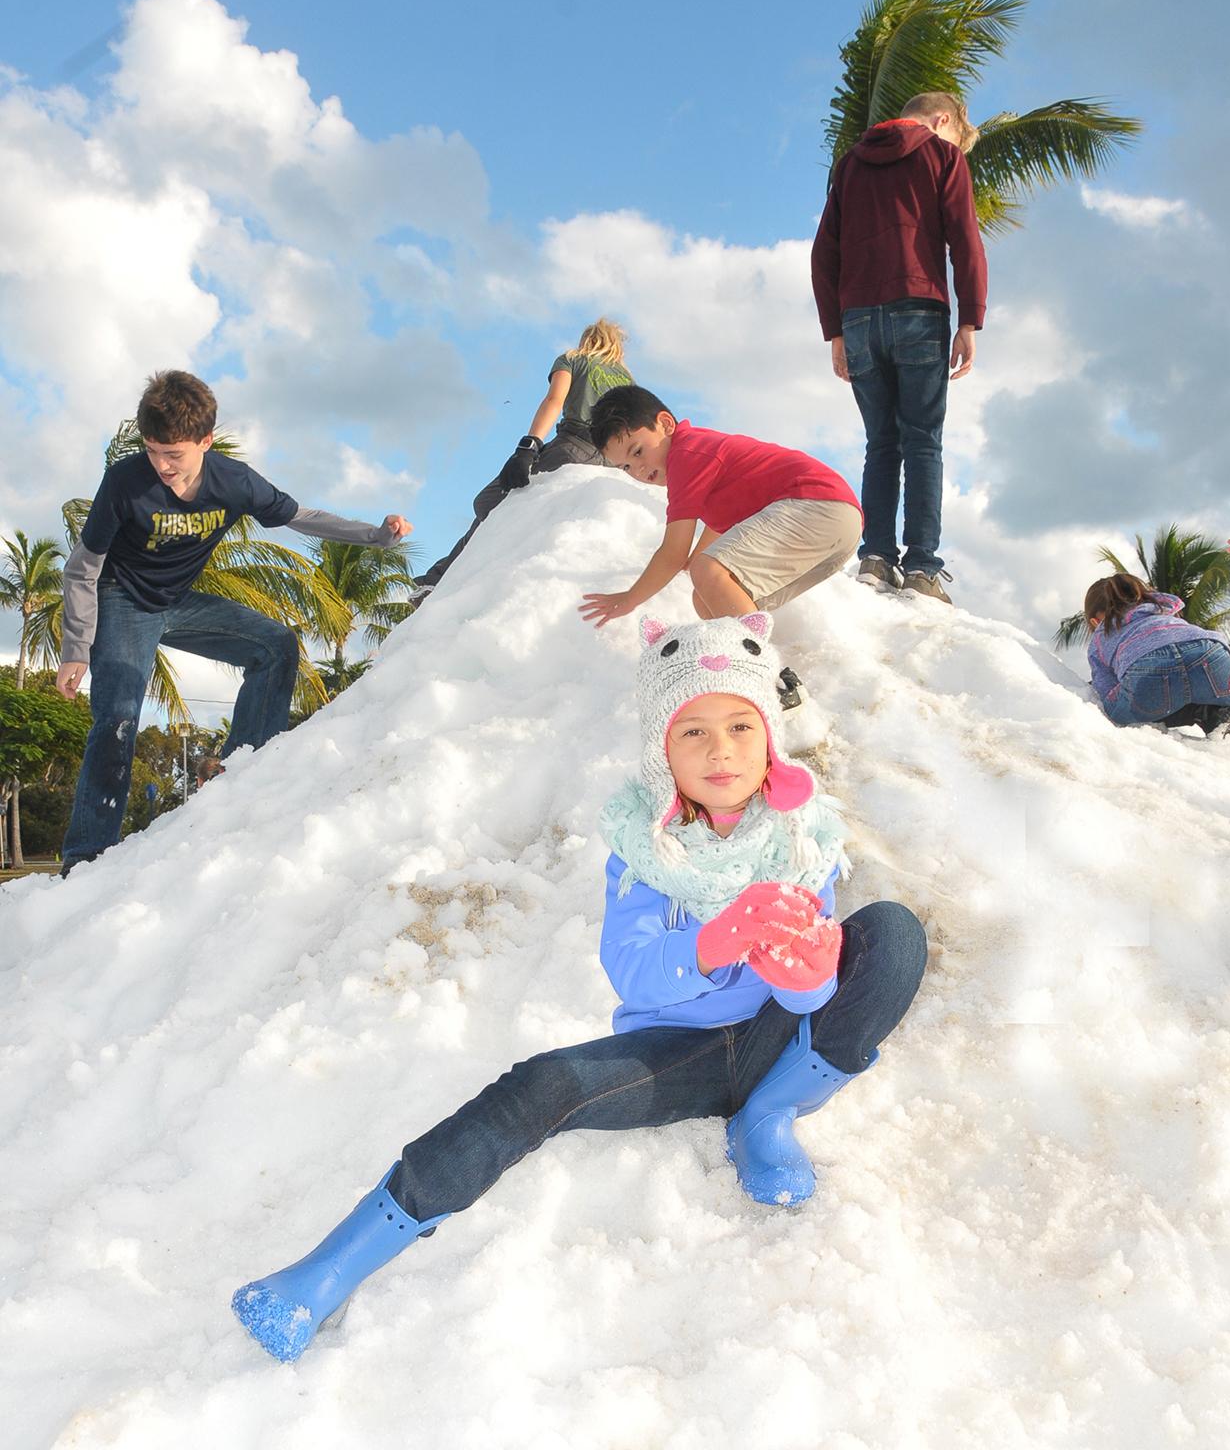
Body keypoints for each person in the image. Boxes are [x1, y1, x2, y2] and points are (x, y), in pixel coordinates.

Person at [231, 612, 927, 1363]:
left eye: (739, 726)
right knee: (540, 1086)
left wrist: (808, 980)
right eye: (692, 730)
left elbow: (810, 997)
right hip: (678, 1049)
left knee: (892, 934)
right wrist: (714, 940)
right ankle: (326, 1270)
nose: (720, 749)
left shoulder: (803, 841)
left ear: (769, 740)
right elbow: (630, 967)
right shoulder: (645, 851)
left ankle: (769, 1115)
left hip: (780, 1039)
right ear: (662, 750)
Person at [56, 370, 413, 873]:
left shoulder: (233, 482)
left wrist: (376, 536)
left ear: (205, 441)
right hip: (121, 602)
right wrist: (77, 647)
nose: (161, 466)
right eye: (153, 451)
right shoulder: (125, 482)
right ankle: (84, 855)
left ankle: (238, 772)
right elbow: (83, 568)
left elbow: (300, 516)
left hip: (178, 601)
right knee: (117, 719)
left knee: (275, 646)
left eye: (174, 454)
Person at [811, 90, 988, 605]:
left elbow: (825, 252)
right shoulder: (941, 154)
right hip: (919, 308)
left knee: (880, 443)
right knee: (923, 441)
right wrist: (971, 319)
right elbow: (965, 239)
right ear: (942, 119)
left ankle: (876, 558)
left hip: (859, 319)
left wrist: (836, 332)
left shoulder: (849, 165)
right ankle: (922, 569)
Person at [577, 386, 861, 641]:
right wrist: (699, 559)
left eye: (637, 452)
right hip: (838, 527)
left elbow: (672, 553)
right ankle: (769, 678)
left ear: (665, 424)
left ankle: (758, 673)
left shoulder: (686, 454)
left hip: (817, 503)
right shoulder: (698, 461)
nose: (637, 469)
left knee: (710, 571)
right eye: (626, 467)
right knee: (706, 600)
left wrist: (630, 599)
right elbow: (725, 528)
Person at [413, 320, 633, 595]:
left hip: (573, 447)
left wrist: (529, 447)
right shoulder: (628, 381)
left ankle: (438, 581)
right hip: (614, 462)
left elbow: (554, 400)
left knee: (488, 502)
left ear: (587, 339)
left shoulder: (573, 359)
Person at [1083, 574, 1230, 735]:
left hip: (1149, 667)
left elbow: (1104, 688)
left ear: (1095, 621)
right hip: (1210, 653)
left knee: (1116, 711)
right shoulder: (1162, 610)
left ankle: (1196, 713)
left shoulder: (1100, 636)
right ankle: (1215, 715)